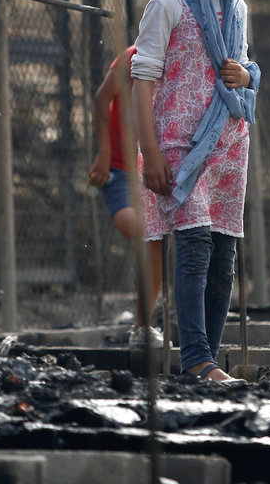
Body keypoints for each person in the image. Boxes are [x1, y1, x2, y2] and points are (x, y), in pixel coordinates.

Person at [132, 0, 261, 383]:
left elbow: (243, 73)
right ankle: (196, 358)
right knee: (192, 249)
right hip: (181, 147)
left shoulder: (237, 8)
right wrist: (152, 152)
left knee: (223, 256)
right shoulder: (168, 3)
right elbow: (142, 78)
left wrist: (245, 73)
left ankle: (207, 358)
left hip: (228, 145)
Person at [88, 45, 166, 348]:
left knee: (154, 238)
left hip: (154, 169)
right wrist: (104, 153)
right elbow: (101, 99)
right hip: (120, 170)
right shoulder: (133, 56)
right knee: (139, 227)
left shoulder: (185, 59)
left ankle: (142, 325)